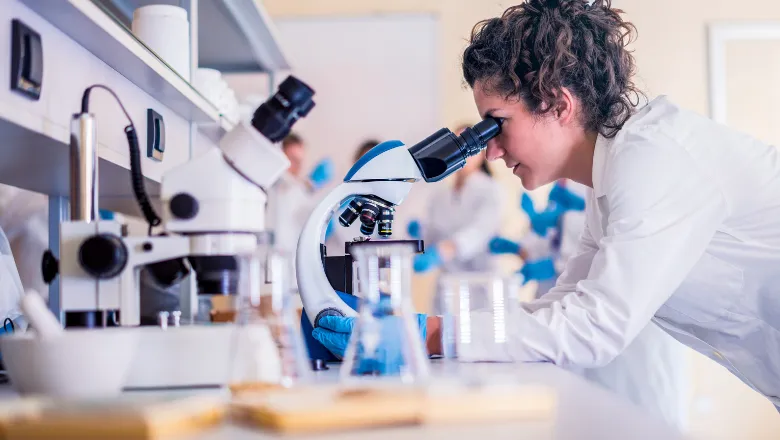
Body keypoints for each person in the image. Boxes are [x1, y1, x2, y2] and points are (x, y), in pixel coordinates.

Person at [313, 0, 780, 415]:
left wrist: (427, 333)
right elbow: (564, 303)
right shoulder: (614, 171)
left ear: (558, 104)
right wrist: (422, 329)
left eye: (496, 126)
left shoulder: (655, 158)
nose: (491, 152)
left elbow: (594, 327)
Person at [491, 180, 690, 427]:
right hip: (587, 330)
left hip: (634, 331)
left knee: (639, 415)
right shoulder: (565, 184)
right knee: (592, 413)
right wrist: (531, 246)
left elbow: (614, 246)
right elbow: (563, 246)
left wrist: (561, 234)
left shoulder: (619, 170)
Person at [409, 124, 503, 287]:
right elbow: (432, 234)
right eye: (457, 146)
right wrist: (420, 233)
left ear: (481, 153)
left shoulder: (490, 190)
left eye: (469, 147)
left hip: (480, 283)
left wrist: (443, 251)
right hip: (447, 284)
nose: (463, 152)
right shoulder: (440, 195)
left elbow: (480, 231)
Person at [266, 132, 333, 284]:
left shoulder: (297, 191)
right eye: (293, 160)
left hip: (291, 270)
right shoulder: (276, 186)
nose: (297, 167)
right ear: (280, 155)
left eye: (300, 162)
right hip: (272, 268)